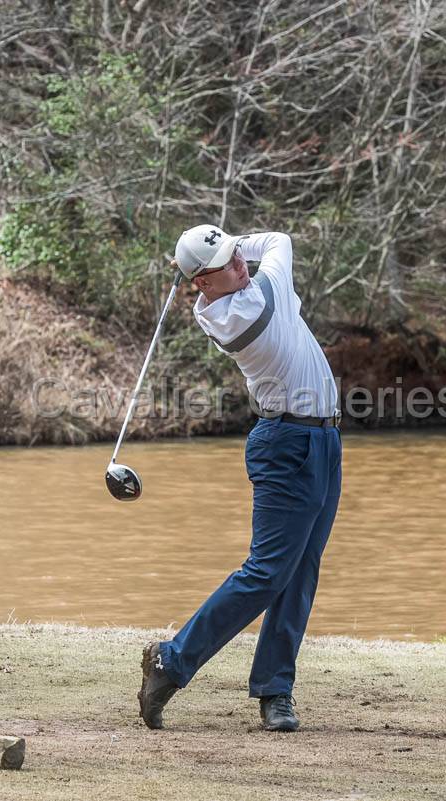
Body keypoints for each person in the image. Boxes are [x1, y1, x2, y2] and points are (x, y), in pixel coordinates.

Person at [137, 225, 342, 733]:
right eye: (225, 265)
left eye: (236, 255)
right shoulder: (244, 312)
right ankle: (170, 661)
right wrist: (237, 243)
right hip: (286, 446)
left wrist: (221, 243)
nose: (239, 265)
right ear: (203, 285)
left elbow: (268, 246)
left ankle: (275, 689)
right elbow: (279, 242)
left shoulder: (239, 282)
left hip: (324, 440)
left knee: (300, 572)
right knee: (268, 572)